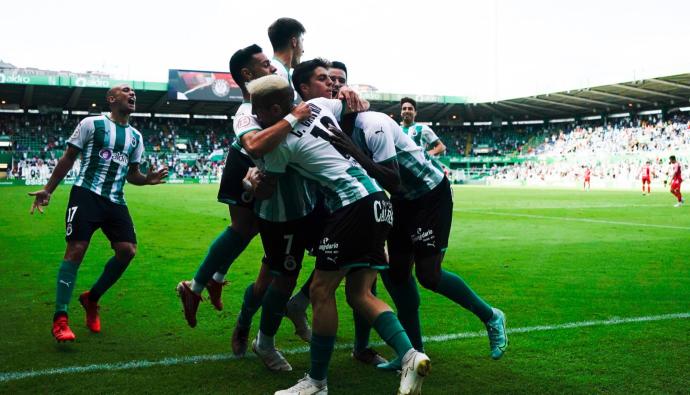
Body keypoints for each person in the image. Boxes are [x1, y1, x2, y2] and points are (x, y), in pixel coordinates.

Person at [248, 74, 430, 395]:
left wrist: (251, 183)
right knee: (361, 294)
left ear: (275, 109)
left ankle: (317, 382)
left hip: (352, 205)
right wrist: (347, 91)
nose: (255, 118)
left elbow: (269, 188)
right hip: (379, 202)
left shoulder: (280, 145)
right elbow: (350, 104)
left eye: (257, 112)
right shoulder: (319, 104)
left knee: (320, 290)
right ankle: (411, 355)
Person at [29, 84, 168, 342]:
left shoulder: (136, 137)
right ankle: (60, 319)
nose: (132, 94)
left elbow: (132, 174)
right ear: (111, 98)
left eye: (134, 92)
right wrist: (48, 189)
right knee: (76, 250)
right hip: (86, 194)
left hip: (115, 200)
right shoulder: (92, 124)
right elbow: (70, 156)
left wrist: (147, 179)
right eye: (126, 90)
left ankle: (91, 299)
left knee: (127, 251)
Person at [268, 17, 305, 97]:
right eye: (302, 41)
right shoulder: (275, 75)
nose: (303, 50)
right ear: (294, 42)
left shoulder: (279, 72)